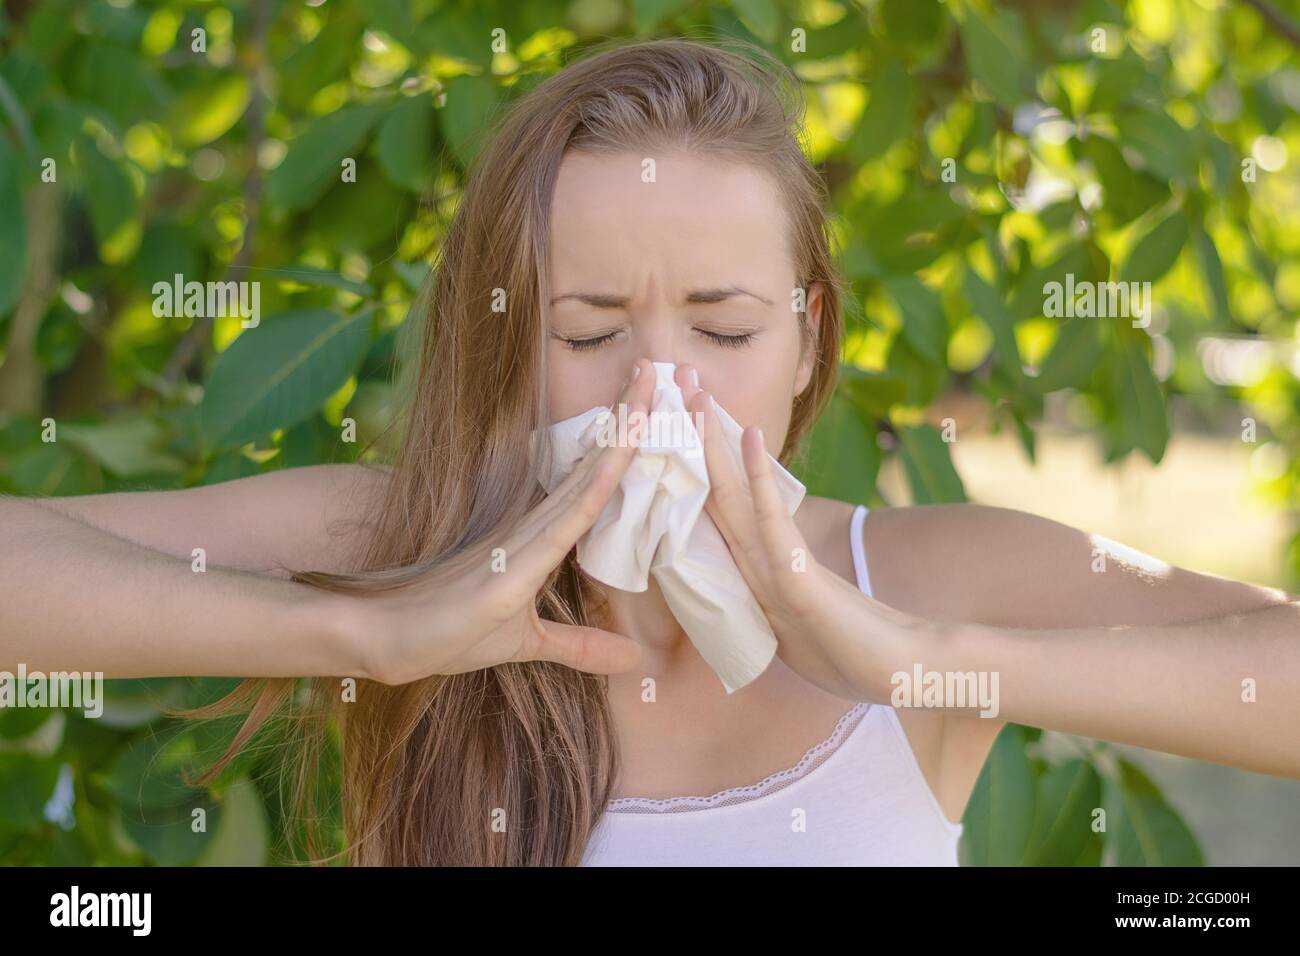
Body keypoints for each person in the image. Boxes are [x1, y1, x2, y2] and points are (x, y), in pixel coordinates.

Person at [4, 37, 1297, 867]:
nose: (658, 387)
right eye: (590, 328)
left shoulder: (920, 570)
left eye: (725, 328)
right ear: (500, 342)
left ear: (806, 343)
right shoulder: (409, 538)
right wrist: (365, 636)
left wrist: (920, 664)